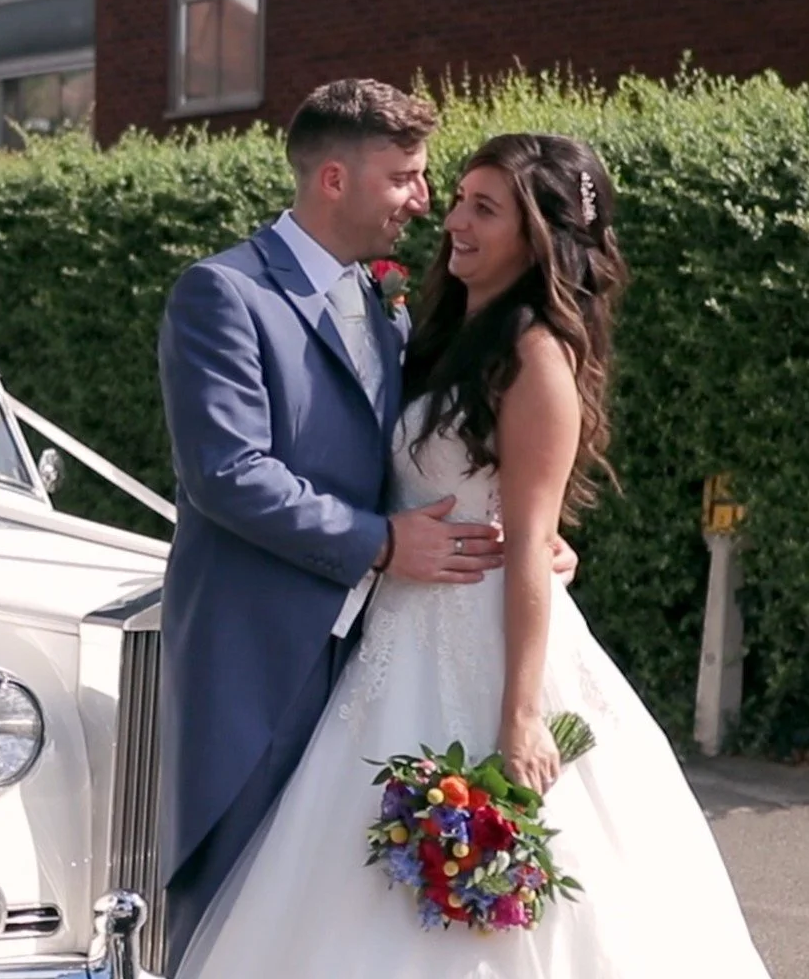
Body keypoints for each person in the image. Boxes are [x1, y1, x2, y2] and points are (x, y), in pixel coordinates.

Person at [168, 132, 773, 977]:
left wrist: (519, 718)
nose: (450, 219)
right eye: (455, 198)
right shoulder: (437, 332)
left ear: (536, 238)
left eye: (483, 208)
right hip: (396, 637)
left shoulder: (533, 354)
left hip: (492, 653)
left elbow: (526, 540)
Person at [152, 80, 578, 973]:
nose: (425, 203)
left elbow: (432, 456)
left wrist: (521, 536)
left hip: (389, 655)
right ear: (335, 180)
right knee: (236, 901)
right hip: (261, 652)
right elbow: (227, 474)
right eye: (408, 178)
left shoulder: (391, 306)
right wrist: (384, 543)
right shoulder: (222, 293)